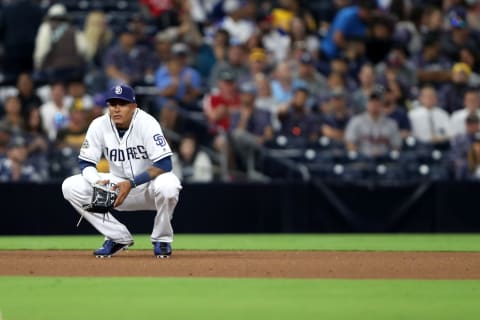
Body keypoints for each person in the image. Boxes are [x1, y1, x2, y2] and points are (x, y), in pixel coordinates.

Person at [62, 84, 182, 258]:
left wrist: (131, 183)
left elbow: (164, 164)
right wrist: (96, 182)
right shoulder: (99, 124)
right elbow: (86, 162)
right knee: (70, 186)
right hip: (116, 190)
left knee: (169, 185)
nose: (116, 109)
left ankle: (162, 239)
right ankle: (117, 237)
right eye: (112, 104)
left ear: (134, 107)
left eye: (122, 104)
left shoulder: (147, 123)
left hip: (148, 188)